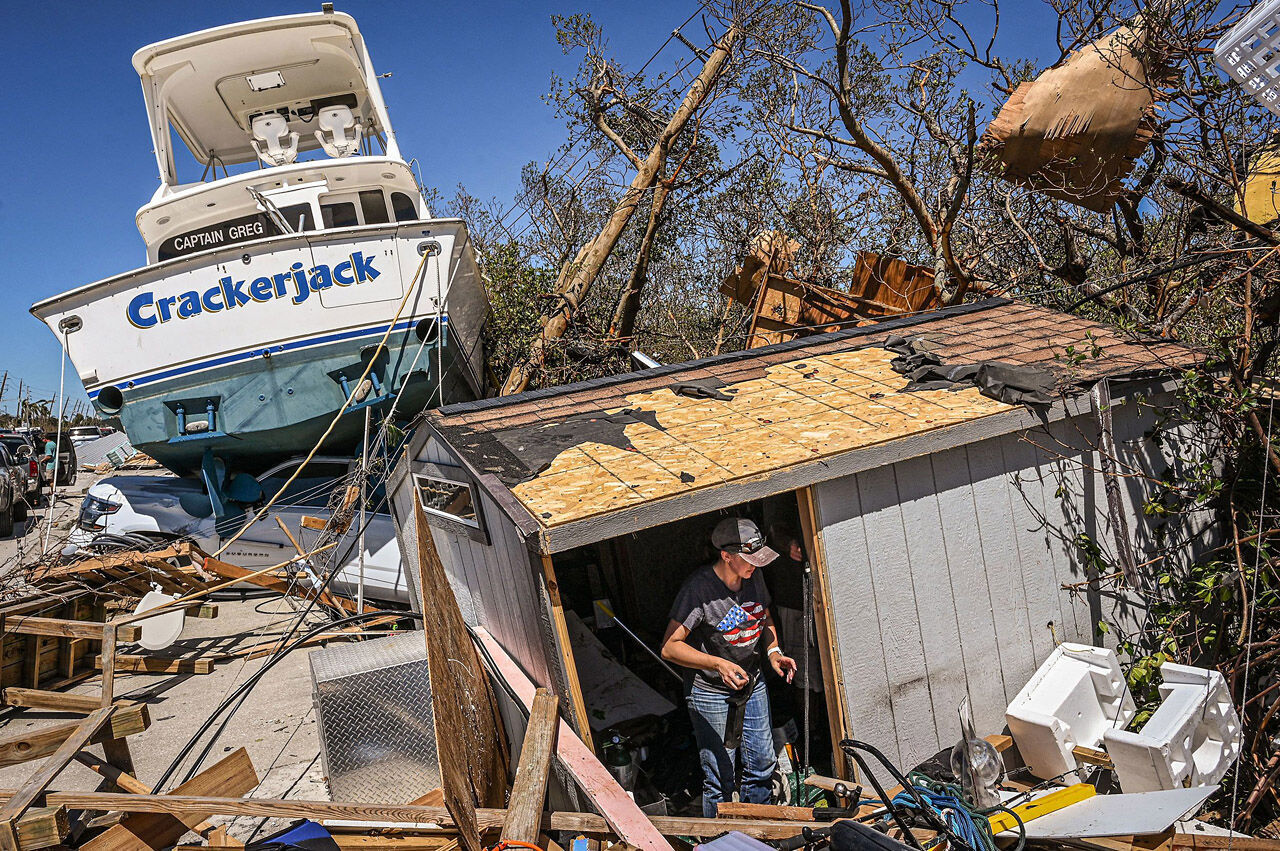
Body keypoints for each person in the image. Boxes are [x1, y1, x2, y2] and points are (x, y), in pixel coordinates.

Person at [661, 517, 797, 817]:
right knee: (720, 777)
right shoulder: (698, 590)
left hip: (752, 682)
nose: (756, 566)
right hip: (710, 691)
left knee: (762, 764)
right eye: (750, 560)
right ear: (727, 556)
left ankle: (758, 834)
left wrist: (773, 652)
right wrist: (717, 663)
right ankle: (721, 841)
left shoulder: (753, 578)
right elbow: (670, 647)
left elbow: (765, 616)